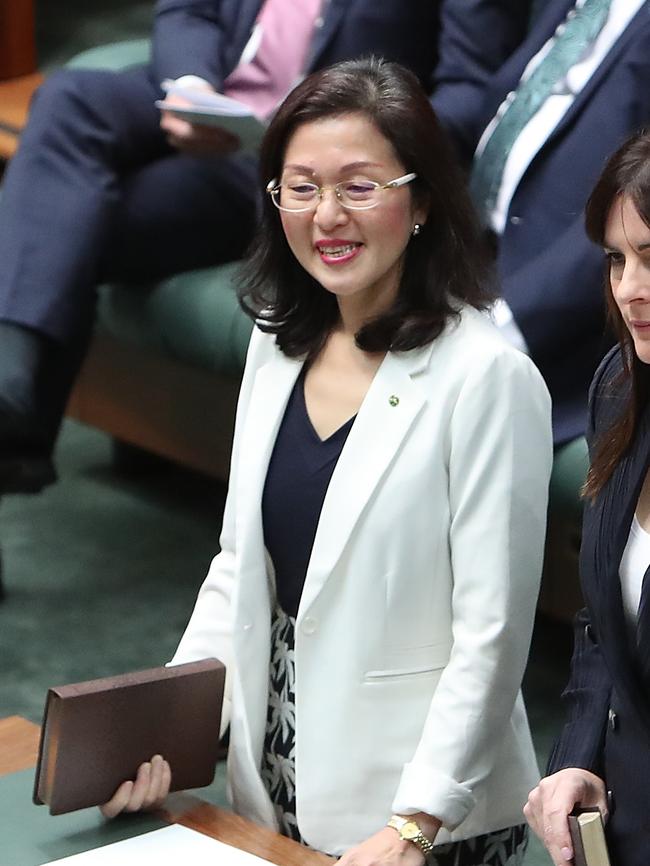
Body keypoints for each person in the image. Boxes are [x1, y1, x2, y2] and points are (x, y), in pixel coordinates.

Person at [101, 58, 553, 865]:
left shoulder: (488, 378)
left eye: (359, 186)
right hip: (275, 781)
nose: (327, 215)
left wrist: (415, 821)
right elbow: (239, 565)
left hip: (424, 816)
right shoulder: (275, 343)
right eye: (301, 187)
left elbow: (493, 633)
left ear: (419, 203)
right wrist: (160, 731)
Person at [0, 0, 441, 495]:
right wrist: (191, 86)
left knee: (54, 217)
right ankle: (10, 388)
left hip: (290, 164)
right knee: (68, 97)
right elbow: (186, 9)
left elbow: (471, 89)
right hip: (211, 97)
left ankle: (16, 410)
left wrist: (353, 147)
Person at [431, 0, 650, 447]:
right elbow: (480, 92)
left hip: (560, 331)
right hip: (463, 257)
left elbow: (632, 228)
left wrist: (499, 327)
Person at [524, 130, 650, 866]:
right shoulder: (617, 386)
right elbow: (606, 626)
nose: (630, 286)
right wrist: (579, 756)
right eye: (617, 258)